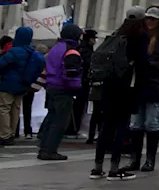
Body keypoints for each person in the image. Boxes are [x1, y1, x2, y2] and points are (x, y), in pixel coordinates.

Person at [90, 8, 149, 180]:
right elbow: (142, 63)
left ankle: (97, 168)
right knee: (121, 127)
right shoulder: (140, 36)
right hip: (126, 87)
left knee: (106, 126)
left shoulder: (117, 34)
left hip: (109, 86)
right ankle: (114, 170)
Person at [124, 6, 159, 173]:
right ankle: (134, 160)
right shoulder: (138, 37)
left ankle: (149, 160)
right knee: (136, 124)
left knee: (151, 123)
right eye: (148, 18)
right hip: (138, 86)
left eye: (153, 19)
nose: (150, 21)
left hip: (156, 86)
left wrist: (151, 65)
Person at [37, 21, 84, 160]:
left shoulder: (56, 48)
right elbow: (71, 73)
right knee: (60, 122)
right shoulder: (71, 51)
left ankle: (43, 148)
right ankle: (50, 150)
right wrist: (76, 87)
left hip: (51, 86)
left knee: (51, 119)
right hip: (63, 89)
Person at [0, 26, 43, 145]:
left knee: (4, 108)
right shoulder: (32, 52)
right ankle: (12, 133)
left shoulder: (14, 51)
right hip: (23, 84)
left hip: (7, 84)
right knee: (15, 109)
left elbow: (1, 64)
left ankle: (4, 134)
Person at [70, 28, 97, 137]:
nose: (95, 41)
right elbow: (88, 66)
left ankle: (73, 127)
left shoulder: (79, 48)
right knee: (79, 107)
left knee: (77, 106)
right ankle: (74, 128)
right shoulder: (87, 51)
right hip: (82, 82)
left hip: (78, 81)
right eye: (94, 38)